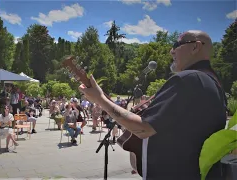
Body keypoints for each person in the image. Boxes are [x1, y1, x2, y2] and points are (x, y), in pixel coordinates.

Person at [78, 30, 227, 180]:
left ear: (195, 47)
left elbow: (144, 129)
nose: (171, 51)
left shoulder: (189, 79)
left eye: (176, 45)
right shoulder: (213, 82)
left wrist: (100, 99)